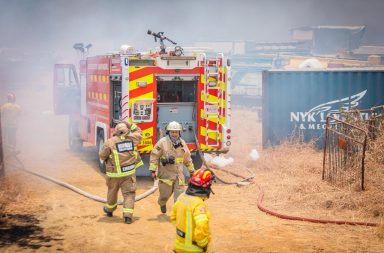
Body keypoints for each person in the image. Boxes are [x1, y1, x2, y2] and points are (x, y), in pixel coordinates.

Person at [99, 121, 143, 224]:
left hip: (114, 174)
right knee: (129, 194)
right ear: (127, 130)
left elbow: (102, 156)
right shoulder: (133, 138)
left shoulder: (110, 142)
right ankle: (127, 216)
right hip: (128, 174)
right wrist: (128, 123)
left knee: (112, 192)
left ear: (116, 131)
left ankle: (109, 210)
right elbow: (139, 131)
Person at [149, 121, 194, 214]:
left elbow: (187, 158)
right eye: (172, 132)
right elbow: (154, 156)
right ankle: (162, 203)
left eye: (176, 132)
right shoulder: (162, 142)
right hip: (166, 174)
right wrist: (153, 170)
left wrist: (191, 171)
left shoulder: (182, 143)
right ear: (168, 132)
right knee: (164, 195)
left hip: (179, 175)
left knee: (180, 195)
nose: (174, 134)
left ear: (179, 133)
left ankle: (177, 213)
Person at [171, 168, 215, 253]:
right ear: (206, 187)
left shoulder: (182, 197)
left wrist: (184, 232)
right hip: (194, 249)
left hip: (178, 247)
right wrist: (202, 243)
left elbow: (173, 217)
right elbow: (202, 225)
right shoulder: (198, 204)